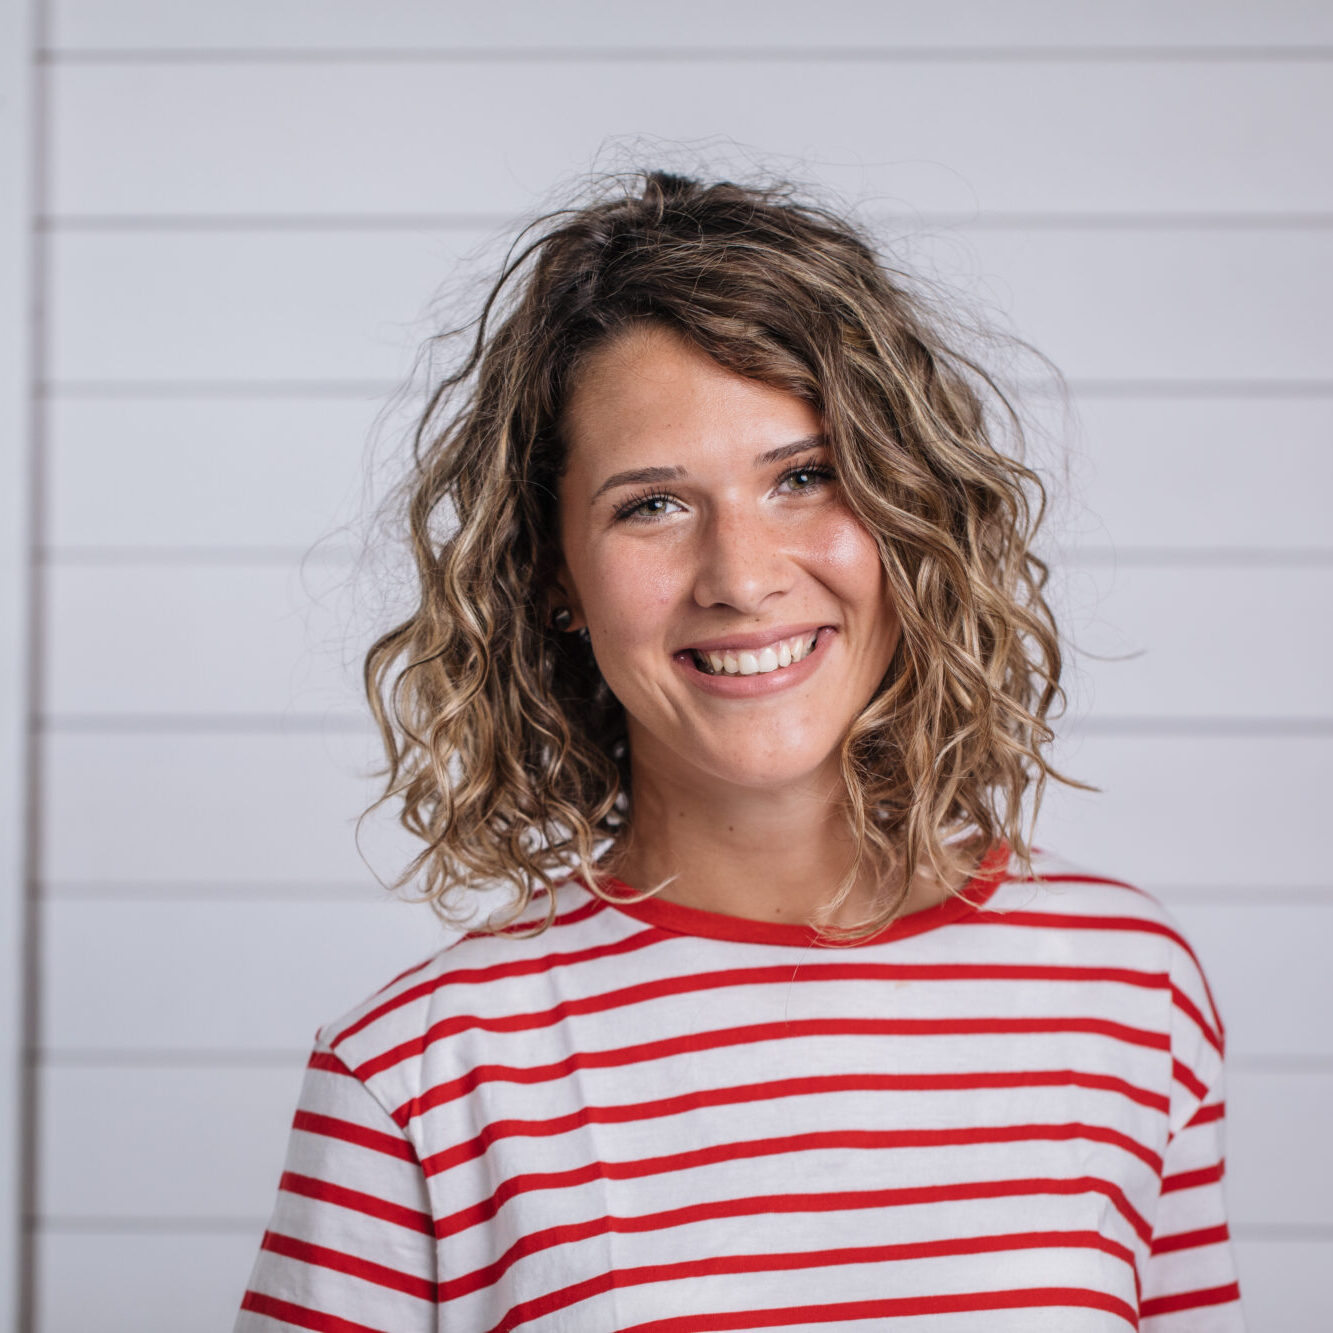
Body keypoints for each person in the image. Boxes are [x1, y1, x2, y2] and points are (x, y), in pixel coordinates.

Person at [235, 170, 1243, 1331]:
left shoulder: (1127, 985)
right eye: (651, 505)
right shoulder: (417, 1074)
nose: (741, 576)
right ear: (554, 574)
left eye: (803, 477)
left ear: (909, 507)